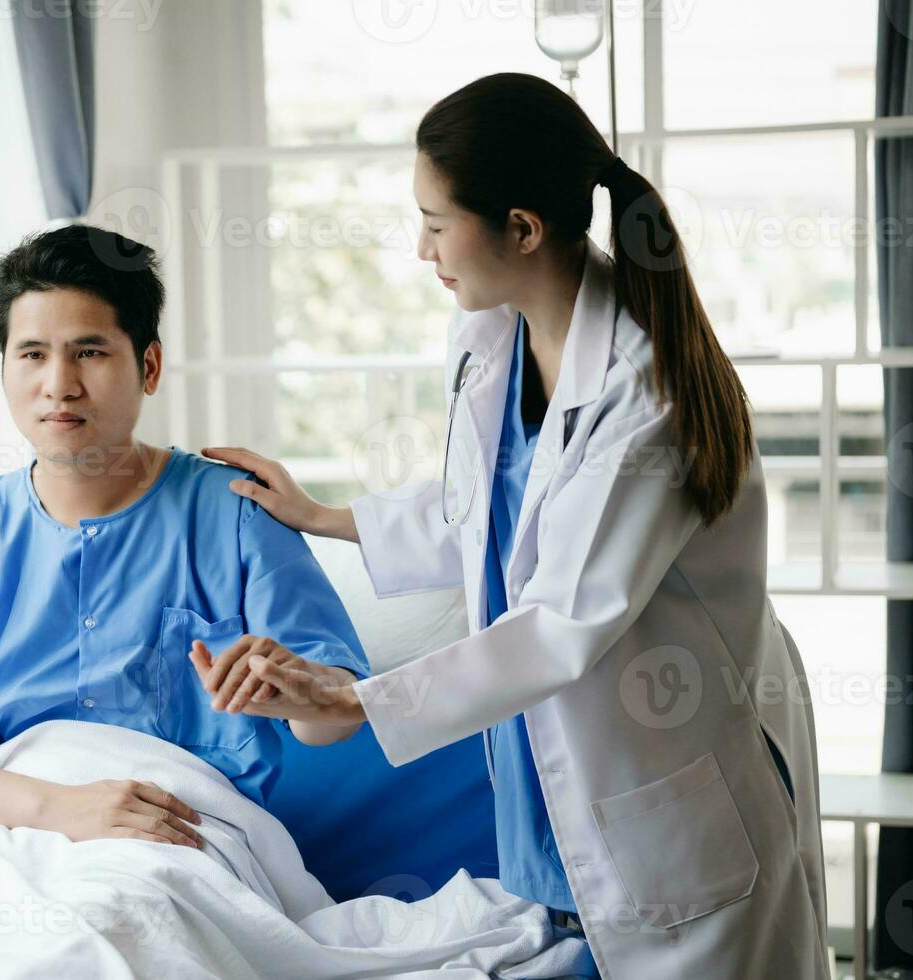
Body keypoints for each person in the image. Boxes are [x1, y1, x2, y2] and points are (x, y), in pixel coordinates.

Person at [195, 72, 828, 979]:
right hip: (558, 773)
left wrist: (354, 700)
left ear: (522, 229)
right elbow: (488, 512)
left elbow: (559, 624)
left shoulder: (646, 395)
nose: (423, 249)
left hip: (664, 768)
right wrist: (324, 517)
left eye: (437, 222)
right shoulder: (495, 337)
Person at [0, 224, 369, 854]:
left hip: (173, 831)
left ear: (149, 365)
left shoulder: (240, 513)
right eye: (32, 354)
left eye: (88, 352)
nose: (59, 383)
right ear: (4, 366)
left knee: (108, 933)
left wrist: (301, 691)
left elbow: (330, 724)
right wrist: (59, 808)